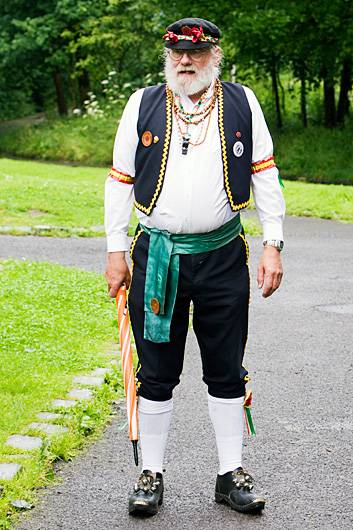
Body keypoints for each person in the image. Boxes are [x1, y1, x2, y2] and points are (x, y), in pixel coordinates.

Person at [104, 17, 285, 517]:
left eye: (197, 53)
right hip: (157, 257)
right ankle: (151, 474)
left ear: (214, 57)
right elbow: (119, 180)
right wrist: (115, 250)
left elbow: (266, 175)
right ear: (168, 56)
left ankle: (230, 475)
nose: (187, 61)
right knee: (156, 372)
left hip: (223, 256)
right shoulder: (142, 104)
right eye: (178, 53)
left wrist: (274, 243)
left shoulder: (243, 103)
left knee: (226, 369)